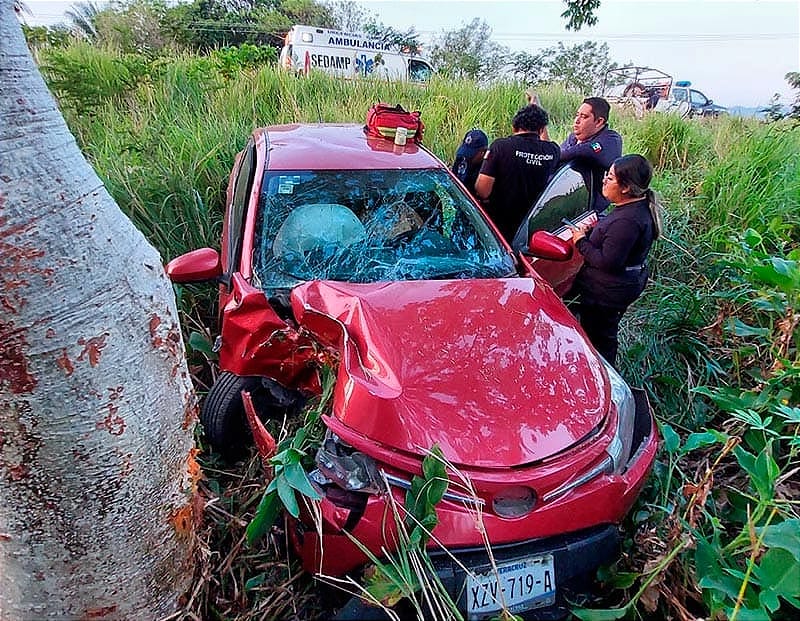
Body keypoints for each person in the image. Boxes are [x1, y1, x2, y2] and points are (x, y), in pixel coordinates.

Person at [567, 154, 663, 366]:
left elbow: (607, 262)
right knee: (600, 332)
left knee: (600, 338)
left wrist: (580, 240)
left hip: (607, 292)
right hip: (618, 287)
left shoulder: (627, 221)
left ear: (626, 187)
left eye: (610, 178)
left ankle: (604, 376)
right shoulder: (632, 208)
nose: (604, 180)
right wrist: (599, 226)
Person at [474, 104, 560, 243]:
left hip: (498, 227)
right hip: (532, 229)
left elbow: (483, 191)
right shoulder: (553, 151)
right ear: (542, 129)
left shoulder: (501, 147)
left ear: (514, 127)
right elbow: (545, 142)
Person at [560, 97, 623, 213]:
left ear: (599, 122)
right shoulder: (574, 138)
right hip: (568, 202)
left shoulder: (610, 140)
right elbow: (558, 158)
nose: (576, 121)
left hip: (593, 211)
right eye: (577, 115)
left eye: (584, 117)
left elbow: (585, 151)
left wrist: (549, 154)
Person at [451, 129, 488, 200]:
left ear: (482, 153)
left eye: (471, 153)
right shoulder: (461, 158)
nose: (466, 156)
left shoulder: (487, 169)